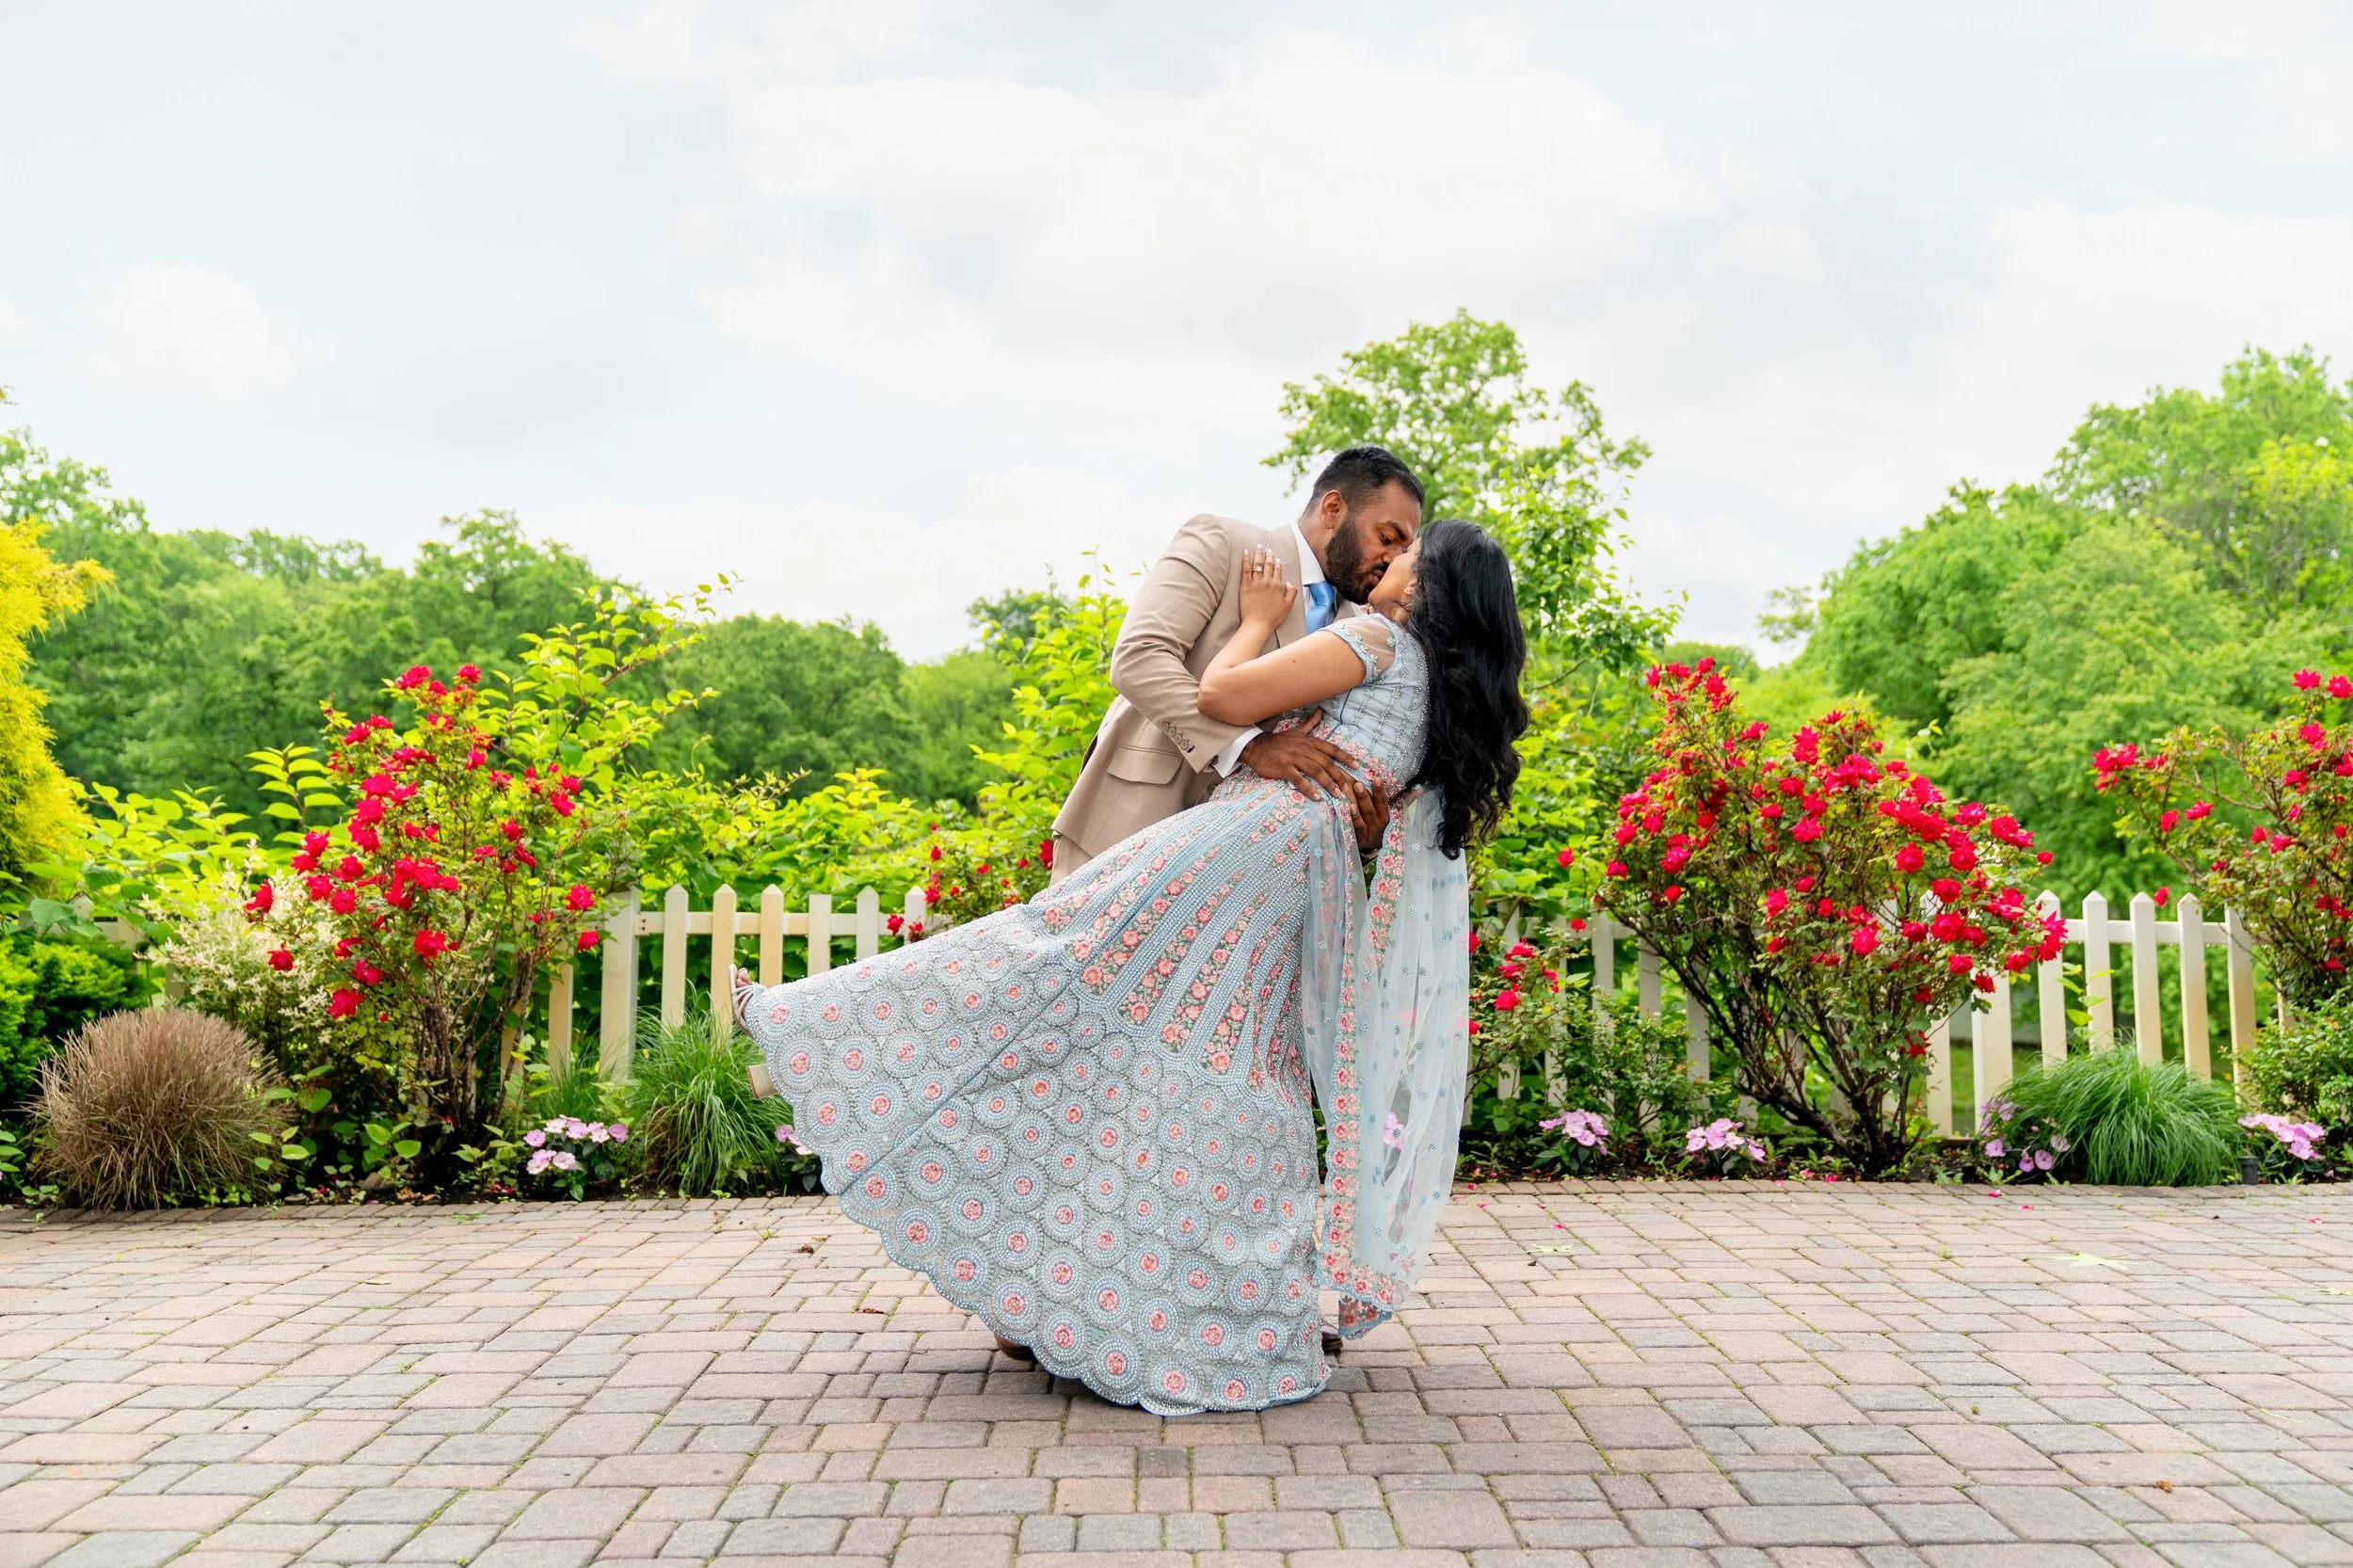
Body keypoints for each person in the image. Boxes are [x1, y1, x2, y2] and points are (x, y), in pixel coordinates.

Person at [734, 517, 1528, 1416]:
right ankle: (1229, 1310)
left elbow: (1224, 696)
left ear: (1428, 589)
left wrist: (1260, 617)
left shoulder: (1376, 637)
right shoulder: (1449, 694)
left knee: (1056, 947)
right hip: (1312, 872)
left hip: (1251, 841)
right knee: (1238, 1067)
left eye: (1409, 557)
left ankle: (813, 1021)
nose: (1390, 563)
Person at [1049, 445, 1424, 882]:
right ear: (1334, 509)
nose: (1393, 559)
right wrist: (1249, 747)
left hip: (1235, 878)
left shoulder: (1361, 630)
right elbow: (1139, 658)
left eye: (1404, 549)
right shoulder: (1223, 543)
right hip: (1131, 819)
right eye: (1387, 537)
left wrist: (1364, 833)